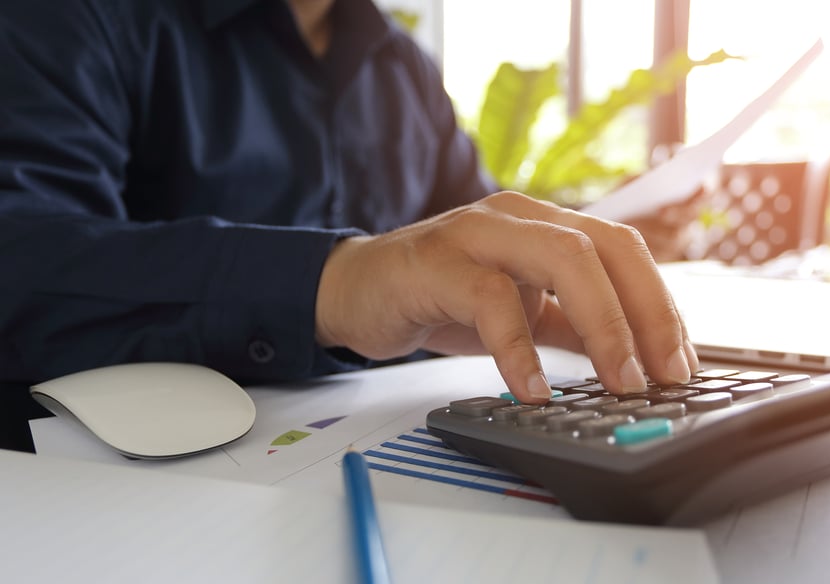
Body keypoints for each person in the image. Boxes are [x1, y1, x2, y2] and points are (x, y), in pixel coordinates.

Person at [0, 0, 699, 405]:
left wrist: (573, 255)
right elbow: (20, 258)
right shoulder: (78, 18)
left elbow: (477, 236)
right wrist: (333, 281)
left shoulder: (402, 70)